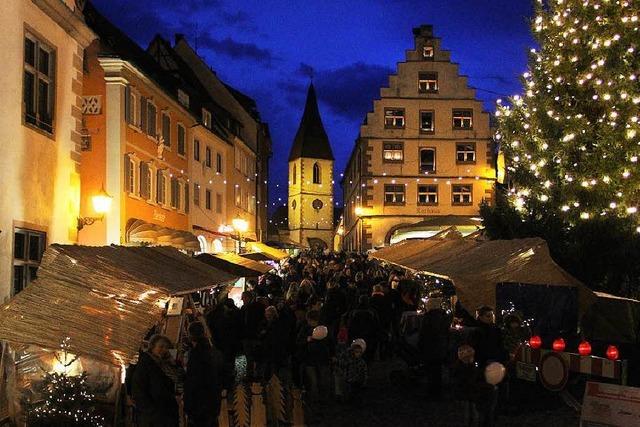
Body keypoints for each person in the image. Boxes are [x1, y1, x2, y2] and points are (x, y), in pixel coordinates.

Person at [131, 335, 181, 427]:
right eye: (161, 346)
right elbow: (139, 389)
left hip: (167, 413)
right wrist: (152, 410)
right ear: (152, 347)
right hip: (154, 416)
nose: (164, 350)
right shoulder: (145, 364)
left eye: (166, 347)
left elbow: (179, 379)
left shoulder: (166, 364)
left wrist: (173, 364)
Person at [184, 322, 223, 427]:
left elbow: (192, 383)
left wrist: (188, 407)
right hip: (212, 404)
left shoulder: (196, 354)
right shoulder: (213, 351)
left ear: (190, 335)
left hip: (199, 406)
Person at [451, 345, 497, 427]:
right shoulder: (465, 367)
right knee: (471, 412)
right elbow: (469, 381)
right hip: (469, 392)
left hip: (469, 393)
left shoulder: (465, 366)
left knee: (471, 412)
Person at [418, 297, 450, 399]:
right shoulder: (444, 316)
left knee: (431, 370)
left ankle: (432, 392)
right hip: (441, 346)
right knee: (437, 370)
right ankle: (438, 390)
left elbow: (424, 333)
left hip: (430, 346)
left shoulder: (428, 317)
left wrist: (421, 344)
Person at [337, 340, 368, 405]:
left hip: (357, 379)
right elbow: (342, 366)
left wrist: (364, 380)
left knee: (356, 392)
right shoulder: (348, 359)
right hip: (349, 379)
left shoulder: (361, 362)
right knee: (348, 392)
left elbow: (364, 371)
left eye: (359, 352)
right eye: (356, 352)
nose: (358, 353)